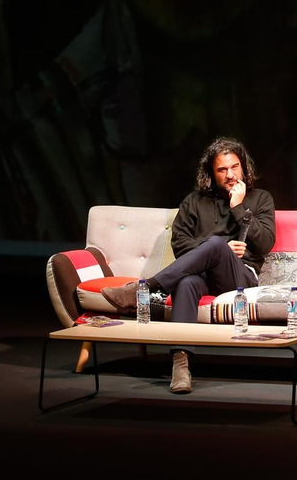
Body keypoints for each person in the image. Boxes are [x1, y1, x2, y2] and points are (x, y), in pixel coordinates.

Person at [102, 137, 276, 393]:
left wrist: (238, 208)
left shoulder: (260, 199)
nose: (230, 175)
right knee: (186, 281)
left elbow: (265, 244)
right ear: (210, 173)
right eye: (222, 169)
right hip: (202, 276)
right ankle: (180, 366)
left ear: (244, 167)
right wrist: (216, 248)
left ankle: (146, 289)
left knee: (217, 246)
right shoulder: (194, 202)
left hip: (240, 277)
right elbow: (180, 244)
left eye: (235, 167)